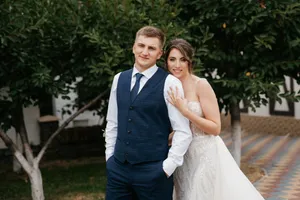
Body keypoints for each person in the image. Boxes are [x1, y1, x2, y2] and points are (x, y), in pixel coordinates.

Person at [166, 38, 265, 200]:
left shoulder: (201, 85)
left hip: (205, 154)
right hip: (183, 157)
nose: (177, 65)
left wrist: (186, 112)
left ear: (190, 62)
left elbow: (215, 128)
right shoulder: (169, 86)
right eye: (172, 59)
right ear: (166, 62)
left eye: (182, 59)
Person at [104, 27, 192, 200]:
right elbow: (113, 123)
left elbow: (183, 131)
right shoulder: (118, 79)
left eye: (151, 48)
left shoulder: (170, 83)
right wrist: (110, 158)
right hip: (118, 171)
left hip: (154, 173)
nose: (145, 52)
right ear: (133, 47)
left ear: (159, 54)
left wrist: (167, 167)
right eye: (141, 46)